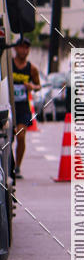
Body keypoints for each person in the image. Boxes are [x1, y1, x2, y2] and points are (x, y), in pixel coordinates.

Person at [12, 37, 41, 178]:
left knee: (21, 135)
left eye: (27, 48)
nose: (24, 50)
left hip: (23, 107)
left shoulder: (32, 68)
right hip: (9, 105)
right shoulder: (8, 64)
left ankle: (17, 166)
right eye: (22, 47)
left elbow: (38, 86)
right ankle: (8, 163)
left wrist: (32, 87)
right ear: (15, 48)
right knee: (8, 137)